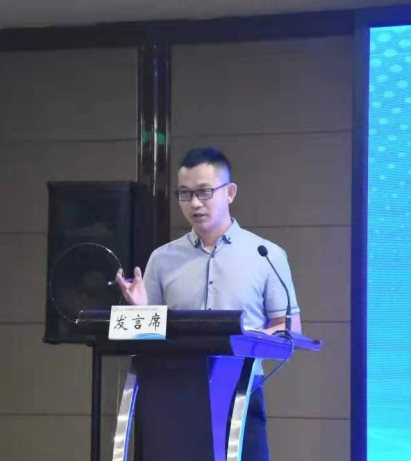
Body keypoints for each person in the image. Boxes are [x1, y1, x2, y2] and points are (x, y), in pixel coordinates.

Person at [116, 146, 302, 460]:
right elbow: (147, 336)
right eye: (185, 194)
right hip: (176, 391)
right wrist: (139, 310)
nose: (195, 203)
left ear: (230, 193)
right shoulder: (162, 258)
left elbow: (288, 328)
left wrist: (247, 340)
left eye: (204, 192)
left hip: (241, 389)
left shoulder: (266, 255)